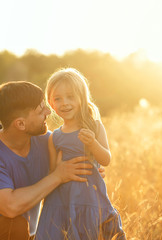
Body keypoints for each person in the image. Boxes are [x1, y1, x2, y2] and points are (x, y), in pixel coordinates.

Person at [0, 81, 105, 240]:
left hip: (29, 234)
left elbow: (69, 168)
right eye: (40, 109)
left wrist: (88, 170)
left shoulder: (47, 142)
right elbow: (10, 207)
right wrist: (58, 176)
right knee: (14, 226)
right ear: (20, 124)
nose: (48, 112)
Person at [35, 68, 126, 240]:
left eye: (71, 97)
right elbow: (54, 171)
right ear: (51, 103)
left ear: (82, 98)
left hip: (88, 198)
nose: (64, 103)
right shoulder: (55, 137)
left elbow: (106, 159)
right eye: (58, 99)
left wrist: (92, 143)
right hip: (61, 201)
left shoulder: (94, 126)